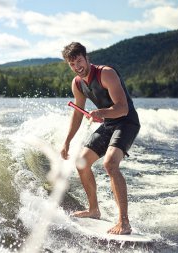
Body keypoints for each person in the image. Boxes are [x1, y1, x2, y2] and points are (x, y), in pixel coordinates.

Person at [60, 42, 140, 235]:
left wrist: (100, 113)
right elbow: (78, 115)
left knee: (110, 164)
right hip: (108, 125)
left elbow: (123, 108)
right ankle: (94, 210)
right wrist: (67, 141)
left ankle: (124, 222)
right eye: (72, 64)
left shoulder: (106, 73)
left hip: (126, 122)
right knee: (81, 163)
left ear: (87, 58)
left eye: (79, 60)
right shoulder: (77, 83)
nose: (77, 66)